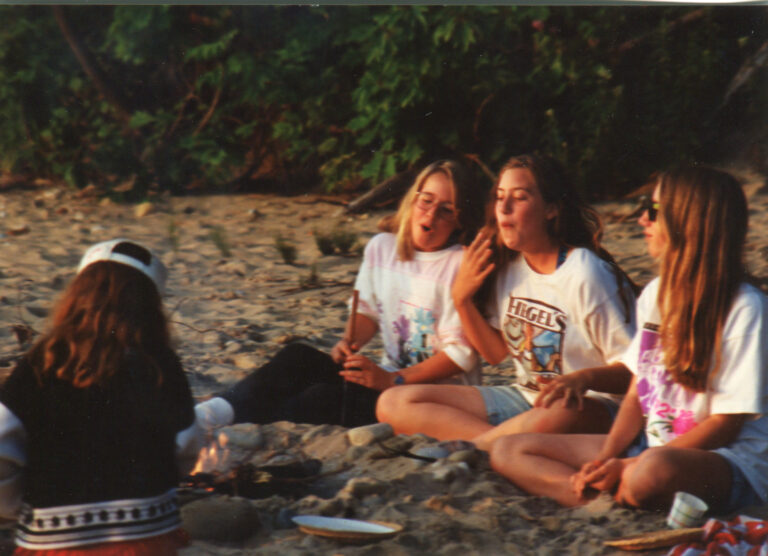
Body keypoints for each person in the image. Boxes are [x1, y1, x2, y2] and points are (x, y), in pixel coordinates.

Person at [491, 166, 768, 513]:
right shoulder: (656, 294)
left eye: (653, 211)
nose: (642, 220)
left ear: (688, 221)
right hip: (651, 443)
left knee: (652, 472)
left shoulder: (745, 307)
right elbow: (638, 392)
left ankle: (622, 491)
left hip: (723, 460)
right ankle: (604, 500)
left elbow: (725, 424)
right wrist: (607, 458)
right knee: (509, 450)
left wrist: (628, 465)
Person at [195, 159, 484, 430]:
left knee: (320, 398)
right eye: (427, 200)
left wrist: (392, 379)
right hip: (385, 375)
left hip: (428, 397)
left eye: (447, 209)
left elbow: (462, 355)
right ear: (413, 198)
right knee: (297, 357)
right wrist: (350, 341)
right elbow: (367, 311)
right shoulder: (382, 248)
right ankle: (209, 414)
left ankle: (243, 417)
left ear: (461, 219)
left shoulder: (461, 263)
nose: (431, 214)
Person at [377, 154, 637, 449]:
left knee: (559, 411)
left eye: (520, 197)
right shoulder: (509, 266)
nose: (504, 207)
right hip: (525, 399)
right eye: (500, 197)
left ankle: (478, 447)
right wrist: (461, 299)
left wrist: (582, 379)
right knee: (394, 401)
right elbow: (494, 354)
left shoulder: (586, 274)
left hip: (591, 408)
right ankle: (492, 444)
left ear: (551, 209)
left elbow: (635, 373)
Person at [0, 239, 201, 553]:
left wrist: (13, 506)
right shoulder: (160, 364)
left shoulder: (41, 363)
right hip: (148, 539)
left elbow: (2, 443)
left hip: (57, 543)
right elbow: (186, 443)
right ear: (149, 306)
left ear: (76, 295)